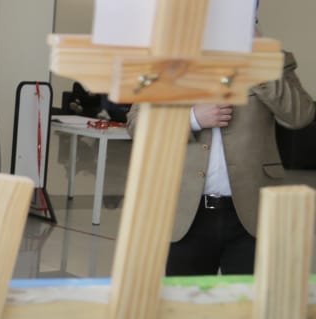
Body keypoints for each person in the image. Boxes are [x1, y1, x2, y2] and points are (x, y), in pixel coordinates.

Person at [131, 40, 313, 276]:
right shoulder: (165, 59)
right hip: (185, 211)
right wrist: (192, 119)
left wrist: (258, 57)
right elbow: (136, 124)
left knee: (248, 298)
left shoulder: (270, 57)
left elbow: (300, 116)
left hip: (253, 213)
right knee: (184, 297)